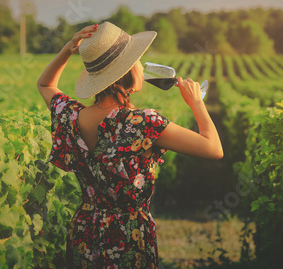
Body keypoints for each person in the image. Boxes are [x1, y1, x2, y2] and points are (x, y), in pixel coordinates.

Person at [37, 21, 223, 268]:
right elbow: (214, 149)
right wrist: (196, 102)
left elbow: (45, 85)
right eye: (136, 60)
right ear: (125, 72)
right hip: (129, 236)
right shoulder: (144, 123)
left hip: (85, 230)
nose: (140, 66)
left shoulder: (70, 116)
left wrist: (67, 50)